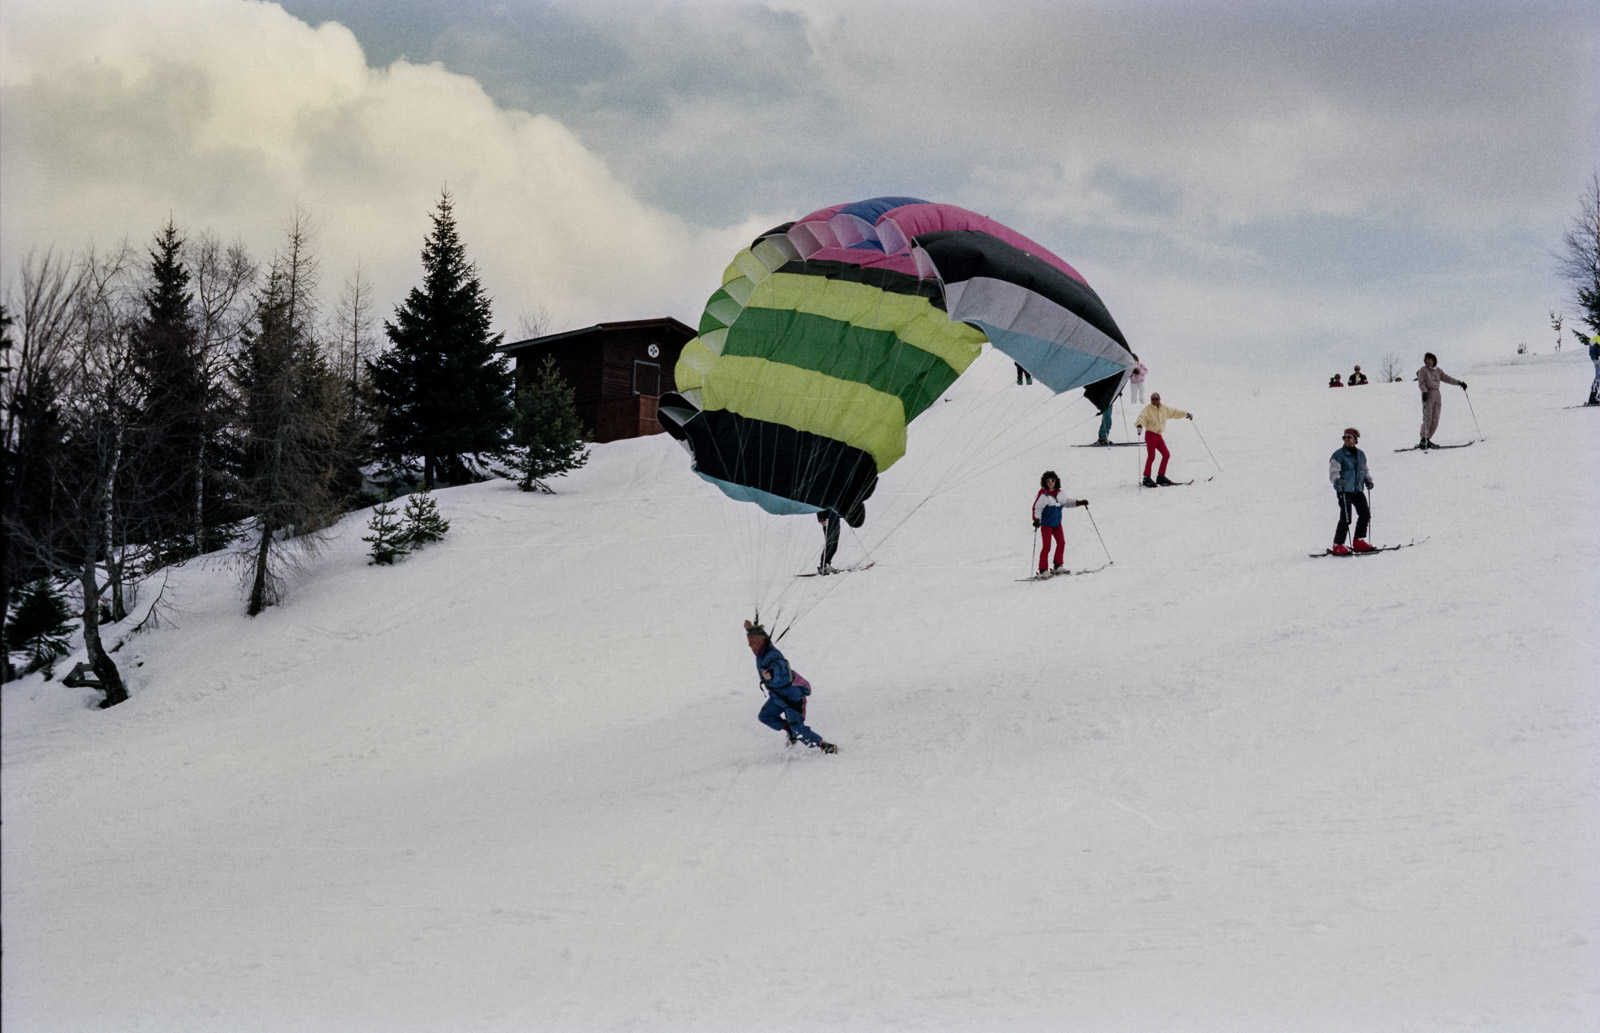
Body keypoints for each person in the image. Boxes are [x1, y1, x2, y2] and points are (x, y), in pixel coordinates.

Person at [745, 620, 837, 753]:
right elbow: (758, 635)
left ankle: (825, 746)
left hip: (792, 698)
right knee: (765, 716)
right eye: (749, 642)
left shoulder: (773, 656)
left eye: (752, 642)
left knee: (798, 729)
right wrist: (749, 630)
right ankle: (790, 731)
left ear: (761, 641)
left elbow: (782, 670)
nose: (749, 645)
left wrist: (771, 675)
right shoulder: (762, 651)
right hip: (777, 697)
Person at [1030, 470, 1088, 576]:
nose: (1050, 482)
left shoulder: (1060, 494)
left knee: (1061, 543)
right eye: (1048, 481)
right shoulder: (1044, 496)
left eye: (1052, 480)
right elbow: (1037, 509)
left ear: (1056, 481)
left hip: (1057, 524)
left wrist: (1079, 502)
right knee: (1047, 547)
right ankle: (1043, 570)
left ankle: (1058, 565)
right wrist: (1036, 520)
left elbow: (1067, 502)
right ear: (1045, 482)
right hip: (1046, 525)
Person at [1327, 427, 1375, 554]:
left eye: (1349, 437)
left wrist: (1368, 480)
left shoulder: (1360, 455)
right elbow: (1333, 471)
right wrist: (1337, 480)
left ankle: (1358, 541)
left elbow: (1364, 470)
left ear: (1355, 440)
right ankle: (1338, 544)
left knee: (1365, 514)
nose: (1346, 439)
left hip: (1357, 490)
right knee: (1346, 517)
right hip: (1344, 490)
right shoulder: (1338, 455)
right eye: (1344, 437)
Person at [1134, 391, 1191, 487]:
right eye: (1152, 399)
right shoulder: (1147, 409)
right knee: (1151, 456)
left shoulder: (1164, 409)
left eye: (1156, 399)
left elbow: (1174, 412)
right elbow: (1142, 417)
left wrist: (1185, 414)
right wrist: (1139, 425)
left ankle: (1161, 476)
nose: (1154, 401)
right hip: (1150, 435)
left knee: (1166, 454)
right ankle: (1146, 477)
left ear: (1159, 399)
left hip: (1158, 436)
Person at [1415, 352, 1466, 449]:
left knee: (1435, 419)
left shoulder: (1438, 371)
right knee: (1428, 418)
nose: (1428, 361)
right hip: (1428, 394)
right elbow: (1421, 382)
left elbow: (1447, 378)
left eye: (1430, 359)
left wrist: (1459, 383)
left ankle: (1428, 439)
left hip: (1437, 395)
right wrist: (1424, 392)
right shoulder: (1423, 370)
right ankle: (1423, 440)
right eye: (1426, 360)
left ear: (1434, 360)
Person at [817, 509, 841, 574]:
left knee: (834, 545)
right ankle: (823, 566)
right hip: (827, 520)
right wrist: (821, 518)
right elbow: (820, 504)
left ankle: (827, 565)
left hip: (836, 518)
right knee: (830, 544)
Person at [1588, 333, 1600, 405]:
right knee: (1598, 378)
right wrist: (1595, 359)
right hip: (1599, 361)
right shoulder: (1595, 338)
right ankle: (1592, 397)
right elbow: (1592, 350)